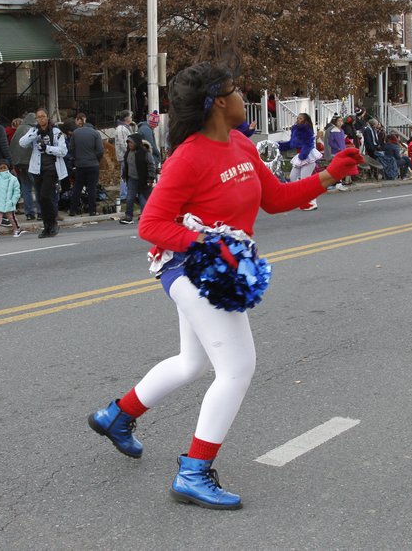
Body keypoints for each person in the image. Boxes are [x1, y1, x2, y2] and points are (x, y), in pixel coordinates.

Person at [87, 60, 364, 510]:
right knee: (238, 367)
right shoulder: (188, 157)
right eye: (236, 91)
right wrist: (207, 244)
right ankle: (193, 473)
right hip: (190, 270)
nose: (244, 98)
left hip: (213, 269)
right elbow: (151, 225)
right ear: (218, 102)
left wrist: (329, 175)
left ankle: (116, 416)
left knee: (191, 362)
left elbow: (273, 200)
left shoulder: (239, 143)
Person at [19, 108, 68, 238]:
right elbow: (22, 143)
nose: (41, 119)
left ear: (47, 117)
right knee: (41, 200)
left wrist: (48, 148)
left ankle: (53, 223)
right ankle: (47, 227)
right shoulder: (34, 131)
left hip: (52, 169)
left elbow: (63, 151)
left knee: (45, 196)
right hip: (36, 169)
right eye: (38, 117)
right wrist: (35, 135)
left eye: (43, 116)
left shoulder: (56, 131)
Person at [279, 113, 321, 210]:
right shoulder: (295, 129)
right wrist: (279, 145)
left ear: (305, 120)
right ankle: (301, 199)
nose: (298, 119)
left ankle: (312, 202)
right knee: (293, 178)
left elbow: (309, 143)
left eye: (300, 118)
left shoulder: (307, 130)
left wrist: (303, 155)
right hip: (300, 156)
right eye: (297, 118)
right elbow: (291, 144)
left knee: (305, 180)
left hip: (308, 155)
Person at [68, 111, 104, 216]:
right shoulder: (96, 133)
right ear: (94, 124)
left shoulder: (76, 133)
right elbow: (100, 151)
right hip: (93, 164)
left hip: (79, 165)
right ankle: (92, 210)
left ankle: (73, 210)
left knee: (77, 187)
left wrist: (76, 158)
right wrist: (96, 159)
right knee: (92, 187)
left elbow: (71, 148)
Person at [118, 133, 155, 225]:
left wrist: (150, 178)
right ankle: (128, 216)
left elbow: (151, 165)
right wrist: (124, 175)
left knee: (142, 198)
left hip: (143, 179)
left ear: (137, 143)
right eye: (129, 143)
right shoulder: (128, 153)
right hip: (131, 179)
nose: (130, 145)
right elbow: (125, 165)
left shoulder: (145, 153)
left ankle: (144, 216)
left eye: (132, 143)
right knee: (130, 197)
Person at [10, 112, 39, 220]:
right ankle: (40, 212)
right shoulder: (31, 130)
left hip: (19, 163)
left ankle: (29, 213)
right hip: (30, 163)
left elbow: (13, 145)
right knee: (37, 187)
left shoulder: (19, 129)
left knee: (26, 188)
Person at [0, 162, 24, 238]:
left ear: (8, 168)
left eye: (4, 167)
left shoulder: (13, 179)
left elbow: (17, 191)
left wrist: (13, 201)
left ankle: (17, 229)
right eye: (1, 168)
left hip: (9, 203)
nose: (3, 169)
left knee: (12, 218)